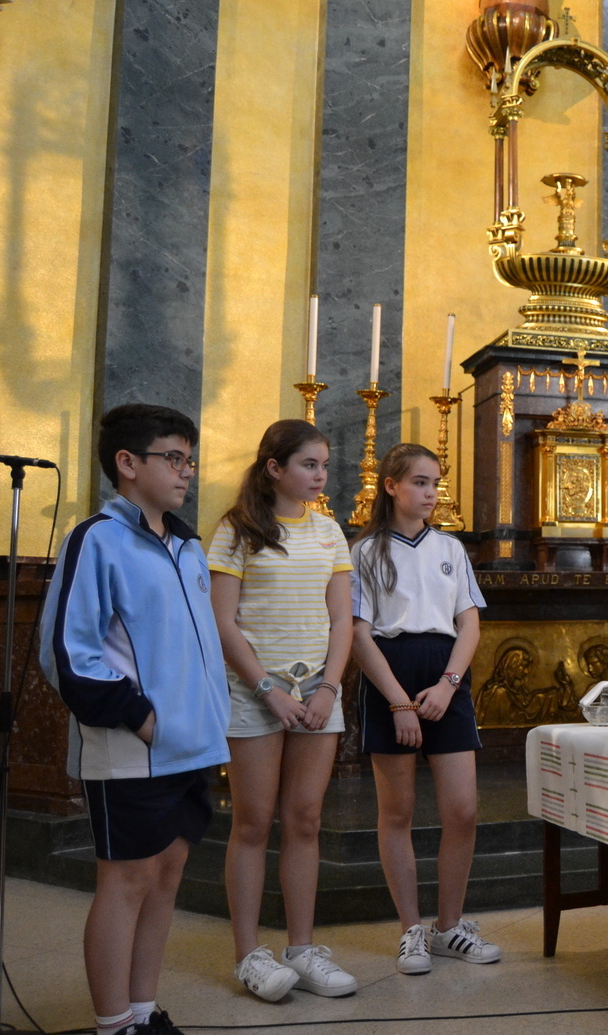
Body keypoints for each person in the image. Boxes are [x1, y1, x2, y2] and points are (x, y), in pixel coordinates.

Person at [39, 404, 230, 1035]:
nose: (186, 471)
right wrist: (139, 716)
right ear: (127, 463)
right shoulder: (96, 539)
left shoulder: (188, 544)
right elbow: (69, 652)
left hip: (192, 746)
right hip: (132, 748)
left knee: (167, 876)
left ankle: (143, 1013)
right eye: (173, 458)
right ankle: (114, 1022)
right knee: (127, 881)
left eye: (189, 460)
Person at [208, 420, 358, 1001]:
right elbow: (222, 621)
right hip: (255, 690)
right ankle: (248, 954)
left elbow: (342, 620)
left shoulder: (328, 530)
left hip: (317, 690)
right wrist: (267, 688)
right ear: (275, 468)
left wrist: (328, 689)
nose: (321, 476)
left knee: (305, 820)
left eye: (324, 465)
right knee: (252, 822)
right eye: (308, 465)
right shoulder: (237, 529)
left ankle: (302, 948)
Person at [349, 443, 501, 974]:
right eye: (419, 482)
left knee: (462, 810)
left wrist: (448, 685)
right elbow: (358, 633)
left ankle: (449, 926)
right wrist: (398, 703)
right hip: (389, 674)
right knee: (398, 811)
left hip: (445, 676)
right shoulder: (365, 552)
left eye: (435, 483)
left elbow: (469, 622)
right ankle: (411, 930)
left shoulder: (450, 548)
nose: (431, 492)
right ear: (391, 486)